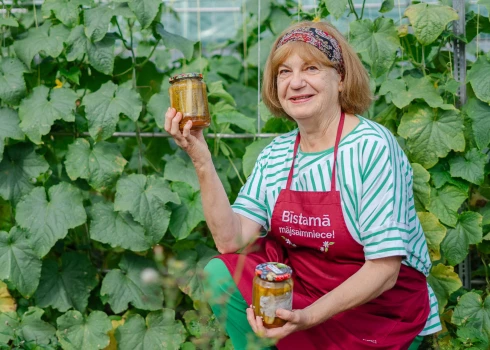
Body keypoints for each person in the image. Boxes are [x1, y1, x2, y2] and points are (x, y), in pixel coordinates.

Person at [164, 20, 441, 350]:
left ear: (340, 78)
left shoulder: (372, 147)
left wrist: (308, 316)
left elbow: (384, 271)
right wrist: (201, 158)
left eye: (310, 68)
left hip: (377, 312)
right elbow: (230, 239)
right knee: (222, 274)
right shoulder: (277, 154)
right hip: (302, 295)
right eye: (284, 72)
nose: (295, 83)